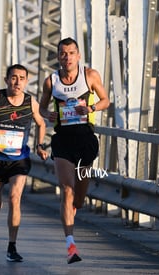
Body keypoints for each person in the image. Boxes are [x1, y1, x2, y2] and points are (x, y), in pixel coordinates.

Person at [39, 37, 110, 264]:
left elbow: (106, 100)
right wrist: (45, 114)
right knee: (67, 190)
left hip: (85, 139)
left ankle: (76, 207)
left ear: (78, 56)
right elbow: (41, 105)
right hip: (63, 140)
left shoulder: (90, 75)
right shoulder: (51, 81)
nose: (67, 57)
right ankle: (70, 245)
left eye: (71, 53)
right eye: (63, 53)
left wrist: (90, 107)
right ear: (58, 56)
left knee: (78, 199)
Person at [0, 64, 49, 262]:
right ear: (7, 80)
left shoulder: (31, 102)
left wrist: (40, 145)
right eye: (13, 77)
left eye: (22, 78)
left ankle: (12, 247)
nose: (17, 82)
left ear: (27, 81)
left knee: (15, 197)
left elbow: (41, 123)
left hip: (19, 160)